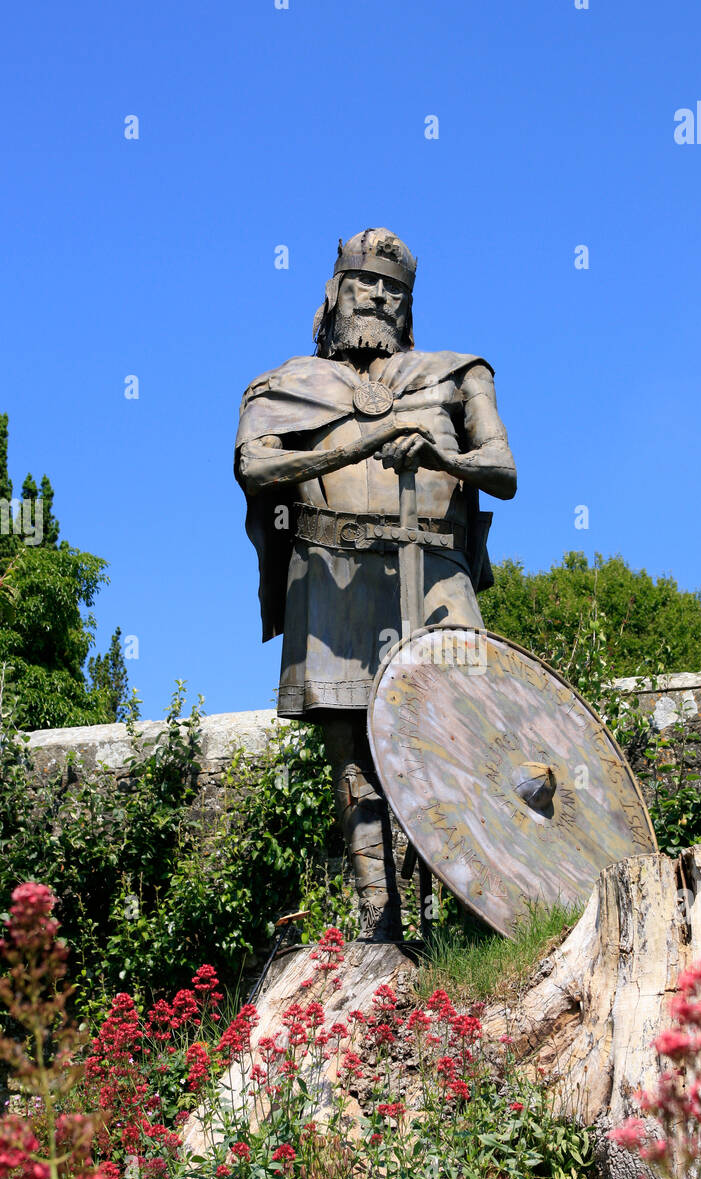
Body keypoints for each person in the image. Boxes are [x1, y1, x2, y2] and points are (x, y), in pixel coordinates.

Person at [235, 228, 516, 939]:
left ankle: (479, 911)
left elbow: (505, 473)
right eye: (368, 283)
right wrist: (363, 439)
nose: (381, 297)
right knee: (352, 754)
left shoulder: (458, 374)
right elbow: (255, 471)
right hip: (331, 576)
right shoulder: (284, 386)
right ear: (337, 292)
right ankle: (378, 922)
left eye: (395, 289)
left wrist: (441, 451)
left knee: (465, 729)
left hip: (435, 569)